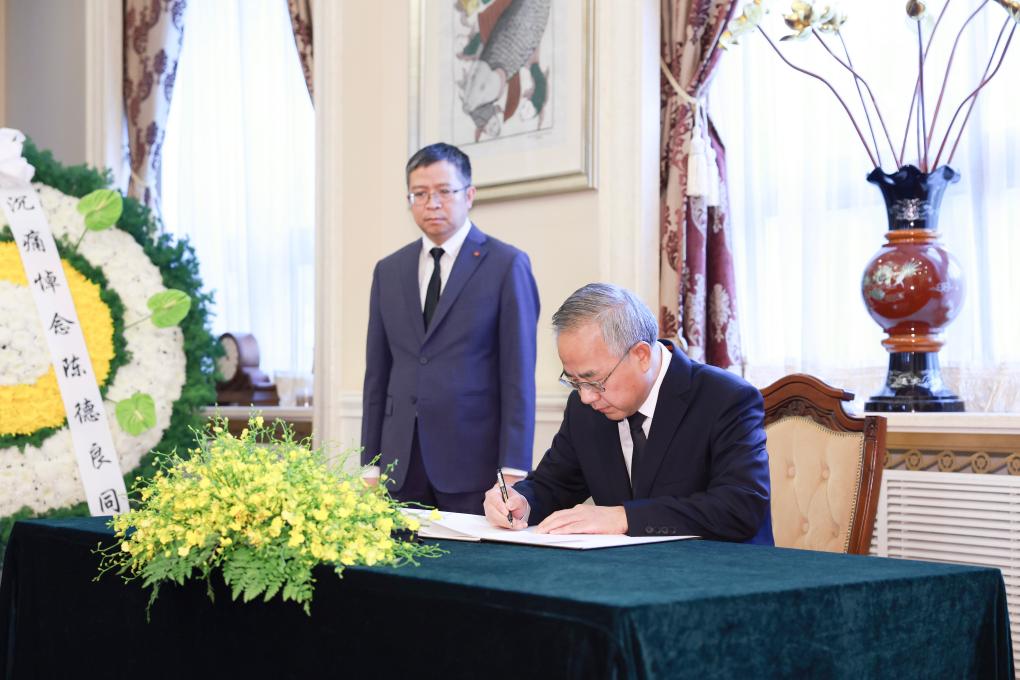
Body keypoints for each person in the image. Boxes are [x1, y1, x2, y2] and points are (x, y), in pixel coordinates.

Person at [483, 283, 773, 543]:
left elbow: (740, 506)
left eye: (594, 380)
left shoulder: (726, 398)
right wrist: (521, 502)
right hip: (625, 574)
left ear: (641, 356)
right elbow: (554, 484)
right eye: (574, 381)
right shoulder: (585, 409)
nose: (585, 396)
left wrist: (624, 517)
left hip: (719, 573)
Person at [361, 142, 540, 513]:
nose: (432, 203)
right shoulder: (389, 270)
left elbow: (518, 376)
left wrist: (513, 468)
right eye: (420, 194)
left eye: (444, 191)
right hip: (399, 463)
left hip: (473, 463)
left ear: (469, 195)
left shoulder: (506, 265)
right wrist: (370, 462)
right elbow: (377, 375)